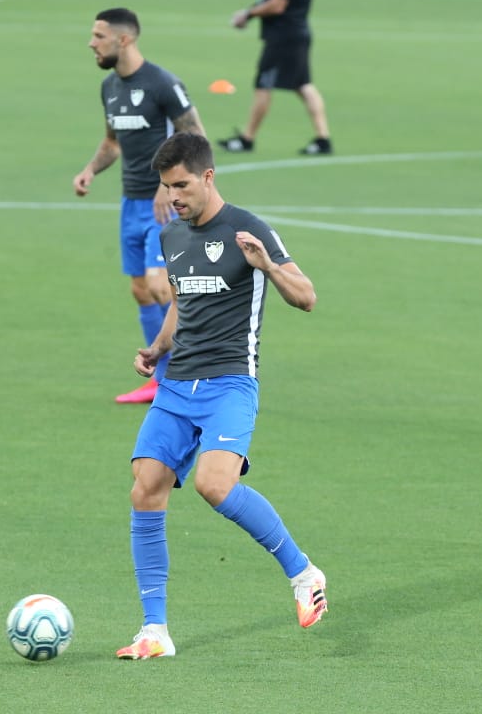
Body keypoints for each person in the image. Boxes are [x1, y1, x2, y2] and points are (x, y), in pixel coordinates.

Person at [115, 131, 328, 660]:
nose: (173, 197)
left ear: (208, 177)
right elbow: (181, 300)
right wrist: (157, 348)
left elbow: (307, 297)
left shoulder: (248, 230)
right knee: (145, 487)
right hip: (177, 383)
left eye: (182, 186)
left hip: (231, 382)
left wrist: (267, 267)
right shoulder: (173, 235)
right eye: (167, 187)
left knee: (214, 484)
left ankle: (303, 573)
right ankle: (155, 630)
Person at [74, 7, 207, 404]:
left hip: (164, 206)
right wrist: (90, 170)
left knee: (159, 284)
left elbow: (196, 139)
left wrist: (171, 187)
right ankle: (161, 380)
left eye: (99, 36)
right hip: (130, 202)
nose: (91, 43)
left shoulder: (162, 84)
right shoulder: (110, 87)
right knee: (140, 290)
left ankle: (192, 370)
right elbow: (112, 142)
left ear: (124, 39)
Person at [220, 0, 331, 156]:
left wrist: (248, 14)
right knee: (303, 85)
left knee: (264, 84)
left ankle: (247, 139)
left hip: (284, 37)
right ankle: (323, 139)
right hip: (296, 34)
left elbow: (277, 5)